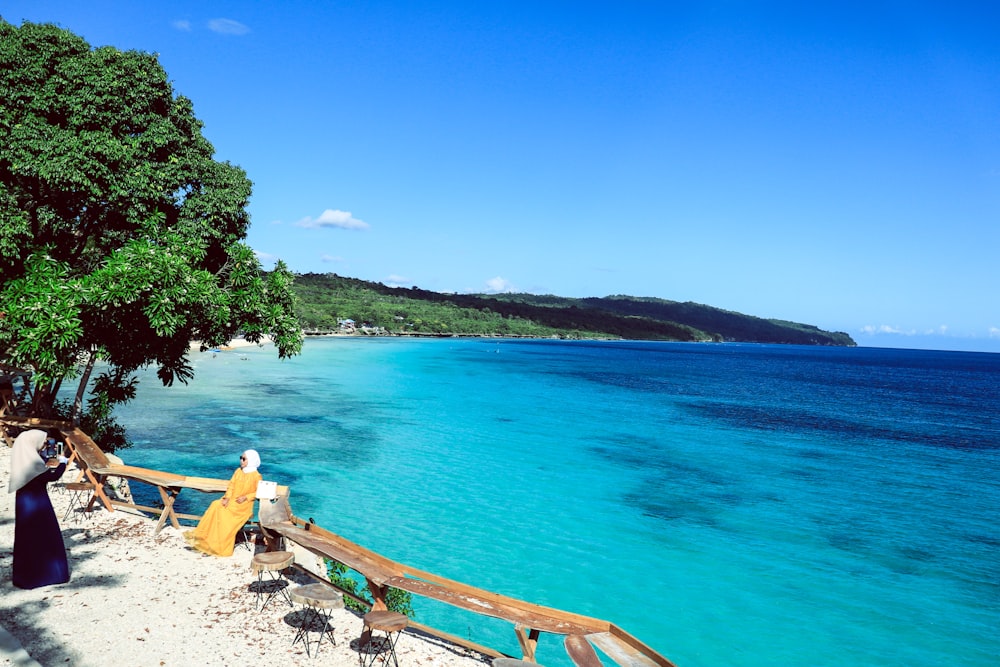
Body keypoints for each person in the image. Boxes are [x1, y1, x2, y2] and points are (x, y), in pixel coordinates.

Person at [8, 428, 71, 589]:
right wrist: (63, 462)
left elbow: (40, 473)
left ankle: (27, 576)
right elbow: (51, 476)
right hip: (38, 502)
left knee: (27, 537)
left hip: (24, 501)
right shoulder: (32, 462)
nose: (43, 446)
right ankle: (49, 575)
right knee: (46, 535)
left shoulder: (23, 458)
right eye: (42, 443)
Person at [184, 449, 262, 556]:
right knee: (215, 505)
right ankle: (203, 541)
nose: (241, 461)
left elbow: (258, 491)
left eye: (244, 459)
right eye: (241, 458)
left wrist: (246, 497)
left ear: (251, 460)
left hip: (242, 507)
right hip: (231, 502)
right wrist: (226, 498)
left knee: (223, 516)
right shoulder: (238, 471)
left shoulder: (256, 476)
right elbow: (231, 486)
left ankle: (216, 547)